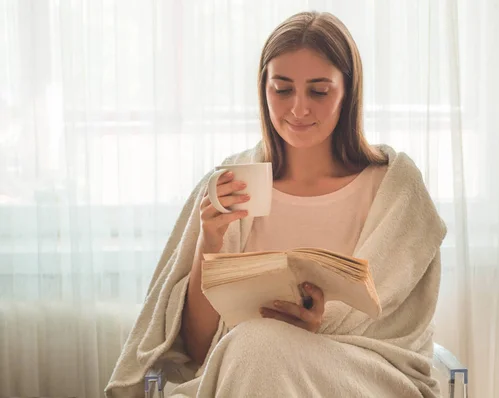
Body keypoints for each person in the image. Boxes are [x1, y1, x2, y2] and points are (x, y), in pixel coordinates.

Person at [106, 11, 446, 398]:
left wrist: (315, 333)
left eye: (319, 91)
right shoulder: (229, 187)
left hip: (363, 379)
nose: (299, 108)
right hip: (247, 373)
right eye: (282, 89)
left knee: (261, 345)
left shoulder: (394, 192)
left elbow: (401, 338)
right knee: (259, 347)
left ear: (348, 92)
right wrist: (210, 242)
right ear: (263, 89)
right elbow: (200, 353)